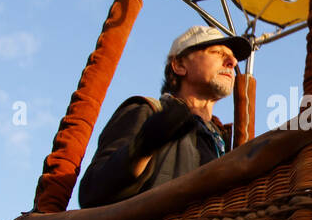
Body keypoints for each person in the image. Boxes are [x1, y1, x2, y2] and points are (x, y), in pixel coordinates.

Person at [78, 25, 251, 208]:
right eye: (216, 52)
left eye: (232, 57)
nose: (232, 61)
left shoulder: (225, 143)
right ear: (179, 65)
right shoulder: (147, 111)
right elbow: (92, 191)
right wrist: (143, 147)